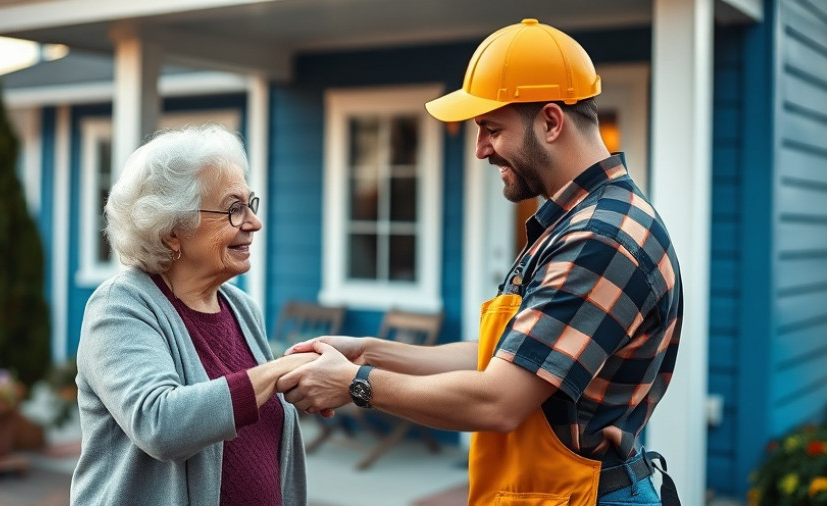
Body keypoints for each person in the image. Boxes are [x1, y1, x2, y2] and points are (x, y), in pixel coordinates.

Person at [278, 19, 682, 506]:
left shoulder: (601, 239)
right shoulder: (572, 223)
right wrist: (368, 351)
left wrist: (356, 384)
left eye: (492, 129)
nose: (480, 149)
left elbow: (498, 400)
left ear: (551, 122)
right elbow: (507, 358)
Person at [70, 124, 315, 506]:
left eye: (251, 204)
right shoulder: (121, 307)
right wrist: (280, 371)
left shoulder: (241, 309)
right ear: (172, 231)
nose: (253, 223)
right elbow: (160, 422)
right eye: (234, 209)